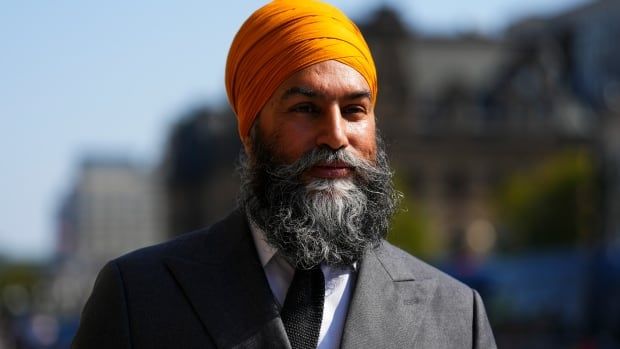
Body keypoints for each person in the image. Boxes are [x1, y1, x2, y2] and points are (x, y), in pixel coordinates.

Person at [72, 1, 496, 348]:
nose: (335, 136)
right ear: (252, 134)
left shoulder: (457, 316)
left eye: (354, 111)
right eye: (305, 109)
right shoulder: (139, 297)